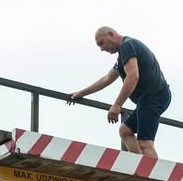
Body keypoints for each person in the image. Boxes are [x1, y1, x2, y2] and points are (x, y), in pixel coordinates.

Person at [68, 26, 171, 158]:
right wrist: (82, 93)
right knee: (125, 131)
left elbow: (133, 76)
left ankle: (153, 176)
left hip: (153, 96)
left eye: (101, 43)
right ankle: (142, 165)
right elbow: (107, 78)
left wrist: (117, 105)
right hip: (149, 98)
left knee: (145, 143)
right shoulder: (123, 54)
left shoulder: (127, 46)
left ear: (111, 34)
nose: (101, 49)